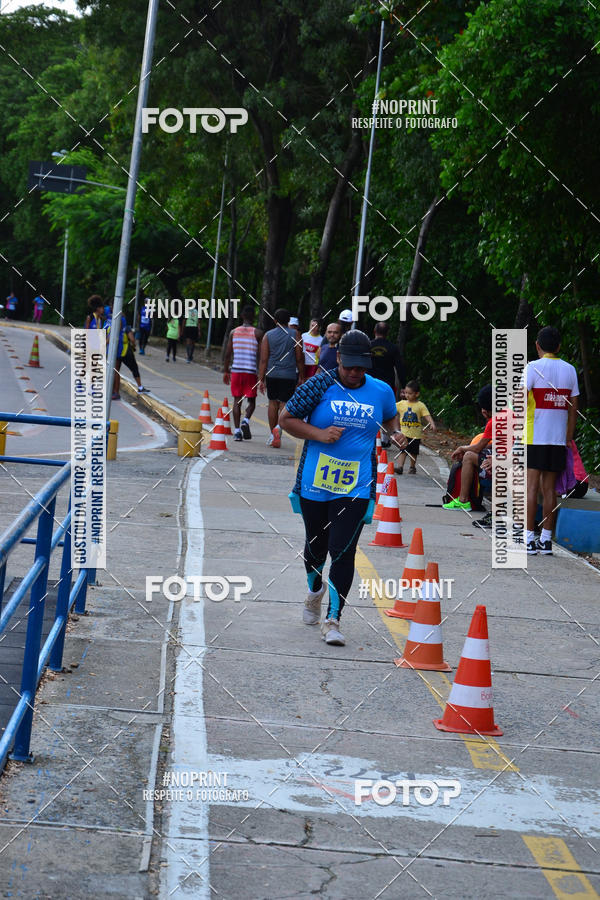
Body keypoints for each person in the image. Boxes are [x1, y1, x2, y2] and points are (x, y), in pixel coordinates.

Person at [279, 330, 408, 646]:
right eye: (349, 366)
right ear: (338, 359)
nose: (354, 373)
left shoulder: (381, 390)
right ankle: (314, 591)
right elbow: (286, 418)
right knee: (315, 547)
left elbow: (390, 420)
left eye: (360, 368)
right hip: (315, 481)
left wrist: (397, 434)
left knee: (343, 550)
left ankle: (333, 620)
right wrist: (319, 434)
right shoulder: (319, 385)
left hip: (357, 484)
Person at [525, 326, 579, 555]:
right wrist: (568, 437)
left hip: (534, 436)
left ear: (538, 346)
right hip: (558, 439)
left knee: (530, 487)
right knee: (550, 490)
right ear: (558, 346)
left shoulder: (532, 368)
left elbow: (519, 403)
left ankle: (528, 538)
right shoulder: (570, 370)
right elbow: (573, 409)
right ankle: (546, 539)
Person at [258, 308, 305, 448]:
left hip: (272, 374)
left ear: (275, 320)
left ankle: (273, 434)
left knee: (272, 402)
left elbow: (263, 359)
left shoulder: (268, 335)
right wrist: (302, 376)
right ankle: (279, 427)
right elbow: (299, 357)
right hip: (289, 375)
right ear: (288, 321)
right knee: (284, 403)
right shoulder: (295, 334)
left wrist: (261, 379)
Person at [443, 385, 495, 510]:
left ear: (484, 410)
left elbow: (477, 448)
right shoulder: (510, 414)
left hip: (503, 461)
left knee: (469, 456)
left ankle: (463, 500)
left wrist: (462, 448)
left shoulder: (494, 422)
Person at [223, 305, 263, 441]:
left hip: (236, 370)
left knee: (236, 401)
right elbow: (261, 356)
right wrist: (261, 374)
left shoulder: (233, 332)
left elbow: (228, 354)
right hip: (250, 371)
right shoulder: (258, 333)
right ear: (253, 317)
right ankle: (245, 420)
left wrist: (226, 370)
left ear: (242, 316)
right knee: (251, 400)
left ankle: (237, 431)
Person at [395, 380, 436, 474]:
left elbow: (427, 415)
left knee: (413, 452)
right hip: (404, 433)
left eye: (410, 393)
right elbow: (390, 408)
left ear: (417, 394)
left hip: (415, 435)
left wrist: (432, 423)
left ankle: (412, 467)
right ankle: (400, 467)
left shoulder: (420, 405)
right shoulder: (401, 403)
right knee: (403, 450)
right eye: (405, 393)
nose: (407, 395)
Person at [106, 312, 150, 398]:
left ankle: (115, 392)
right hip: (126, 352)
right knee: (134, 368)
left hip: (116, 352)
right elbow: (132, 339)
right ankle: (140, 387)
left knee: (116, 371)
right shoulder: (126, 328)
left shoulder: (111, 327)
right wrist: (133, 346)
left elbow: (107, 340)